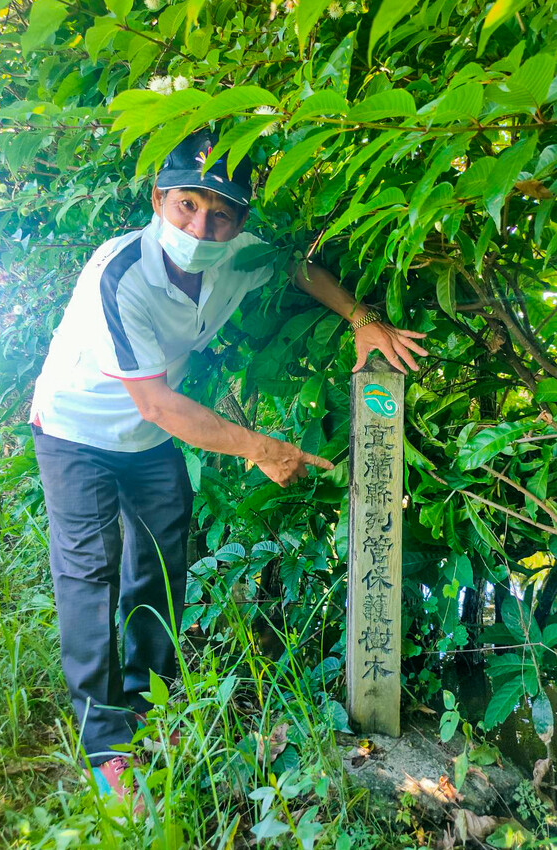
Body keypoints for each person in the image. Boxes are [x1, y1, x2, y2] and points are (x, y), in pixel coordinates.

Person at [30, 128, 427, 808]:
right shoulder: (116, 273)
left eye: (219, 213)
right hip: (77, 429)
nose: (200, 226)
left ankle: (149, 705)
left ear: (240, 220)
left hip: (150, 435)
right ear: (159, 200)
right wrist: (261, 448)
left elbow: (296, 267)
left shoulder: (238, 254)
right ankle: (105, 746)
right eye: (186, 205)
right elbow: (155, 402)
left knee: (158, 564)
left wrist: (361, 318)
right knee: (89, 574)